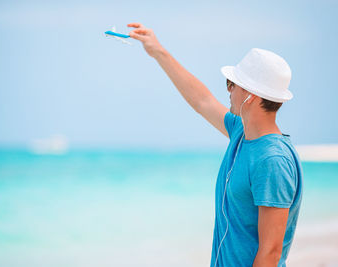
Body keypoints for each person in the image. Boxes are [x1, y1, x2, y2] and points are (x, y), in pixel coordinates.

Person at [127, 22, 303, 267]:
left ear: (250, 95)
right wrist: (158, 51)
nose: (228, 91)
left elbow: (271, 252)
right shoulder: (241, 132)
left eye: (232, 84)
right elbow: (201, 100)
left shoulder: (272, 161)